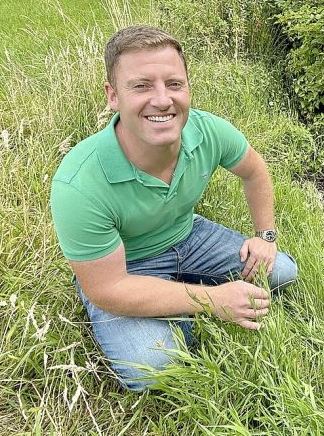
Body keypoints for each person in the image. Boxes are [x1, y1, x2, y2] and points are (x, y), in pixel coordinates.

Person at [49, 25, 298, 392]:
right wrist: (212, 300)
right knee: (153, 365)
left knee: (283, 273)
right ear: (113, 96)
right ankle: (173, 306)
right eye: (141, 86)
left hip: (188, 235)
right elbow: (108, 288)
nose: (163, 100)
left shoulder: (208, 131)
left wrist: (266, 236)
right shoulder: (79, 183)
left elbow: (255, 171)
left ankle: (175, 300)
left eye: (174, 84)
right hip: (125, 267)